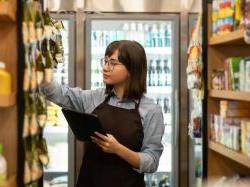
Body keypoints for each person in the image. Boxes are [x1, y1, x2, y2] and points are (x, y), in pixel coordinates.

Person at [41, 40, 165, 187]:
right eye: (105, 61)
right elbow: (58, 94)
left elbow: (151, 162)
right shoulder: (94, 98)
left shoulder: (151, 110)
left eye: (113, 62)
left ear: (132, 68)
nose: (105, 68)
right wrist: (40, 67)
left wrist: (118, 149)